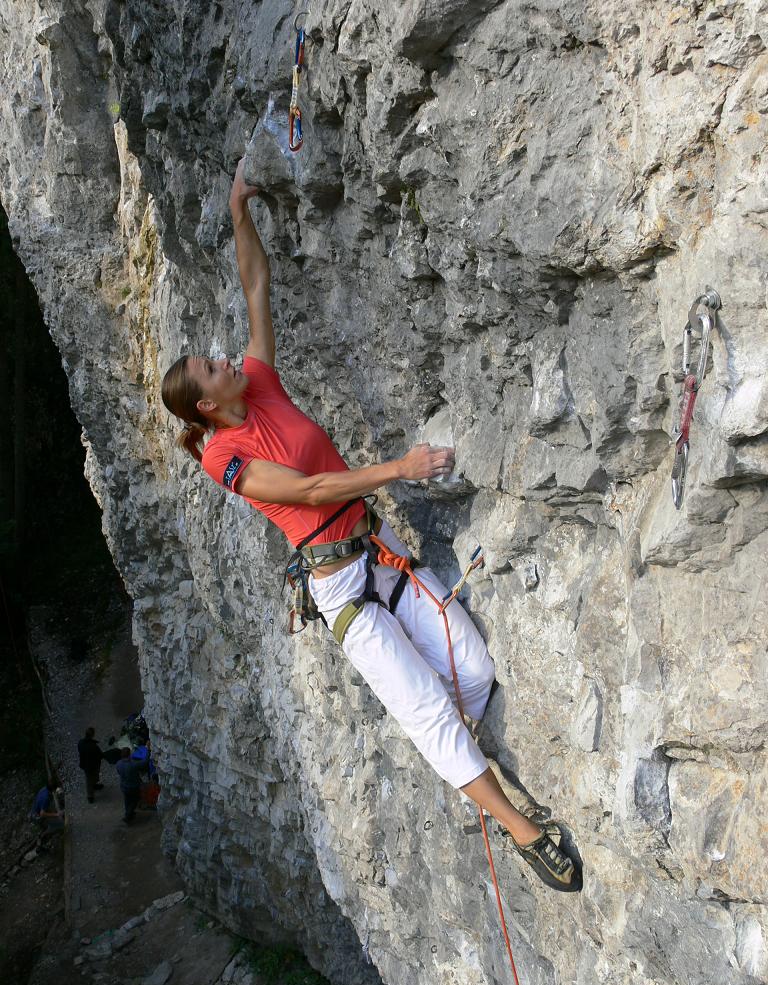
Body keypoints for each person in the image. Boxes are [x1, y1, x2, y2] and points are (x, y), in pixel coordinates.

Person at [159, 158, 580, 893]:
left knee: (472, 674)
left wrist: (239, 214)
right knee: (427, 712)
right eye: (210, 365)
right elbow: (313, 487)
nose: (224, 356)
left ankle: (468, 763)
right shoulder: (224, 456)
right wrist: (401, 468)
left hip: (377, 558)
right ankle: (521, 829)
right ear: (205, 406)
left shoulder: (257, 385)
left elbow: (257, 288)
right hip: (343, 589)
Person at [32, 781, 64, 846]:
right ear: (53, 790)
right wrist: (56, 814)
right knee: (61, 824)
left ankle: (49, 824)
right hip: (37, 816)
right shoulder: (46, 798)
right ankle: (43, 835)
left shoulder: (44, 788)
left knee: (54, 813)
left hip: (35, 810)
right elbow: (42, 814)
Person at [77, 726, 104, 803]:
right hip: (92, 765)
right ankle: (90, 796)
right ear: (92, 735)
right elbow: (100, 755)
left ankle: (93, 786)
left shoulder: (80, 742)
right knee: (90, 779)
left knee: (91, 778)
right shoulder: (93, 746)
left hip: (85, 764)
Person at [116, 748, 142, 824]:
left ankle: (129, 814)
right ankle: (128, 815)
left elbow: (119, 772)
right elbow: (144, 763)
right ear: (129, 754)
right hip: (133, 786)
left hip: (124, 786)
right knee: (135, 800)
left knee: (127, 800)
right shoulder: (133, 764)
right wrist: (147, 750)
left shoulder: (118, 763)